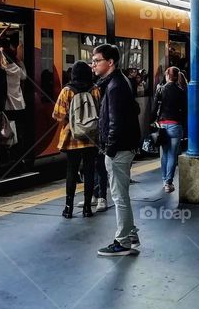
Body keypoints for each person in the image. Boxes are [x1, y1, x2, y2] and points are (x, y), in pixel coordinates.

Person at [91, 44, 142, 256]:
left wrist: (109, 149)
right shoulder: (119, 82)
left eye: (97, 61)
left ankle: (122, 242)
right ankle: (130, 234)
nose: (93, 64)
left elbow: (116, 122)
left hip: (118, 149)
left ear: (110, 62)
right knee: (122, 195)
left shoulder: (115, 86)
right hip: (123, 147)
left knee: (119, 196)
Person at [52, 61, 101, 218]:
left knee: (71, 172)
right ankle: (87, 208)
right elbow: (99, 110)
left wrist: (71, 120)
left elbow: (57, 115)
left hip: (71, 138)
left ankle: (68, 208)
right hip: (91, 138)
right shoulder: (95, 90)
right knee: (89, 171)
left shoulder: (67, 91)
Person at [152, 66, 187, 193]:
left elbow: (154, 107)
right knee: (173, 154)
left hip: (162, 124)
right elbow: (184, 109)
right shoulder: (181, 90)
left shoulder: (161, 89)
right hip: (175, 125)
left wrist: (152, 121)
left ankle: (163, 180)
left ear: (167, 75)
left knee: (164, 154)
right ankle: (168, 182)